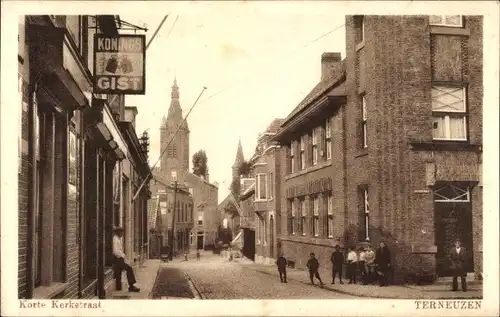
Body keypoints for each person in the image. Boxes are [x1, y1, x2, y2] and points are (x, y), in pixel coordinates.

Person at [112, 227, 140, 292]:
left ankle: (118, 287)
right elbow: (115, 251)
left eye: (122, 232)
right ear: (117, 232)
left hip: (119, 259)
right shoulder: (115, 240)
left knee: (119, 273)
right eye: (121, 232)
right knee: (129, 268)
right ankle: (131, 286)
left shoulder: (117, 239)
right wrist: (123, 255)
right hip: (117, 259)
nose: (122, 234)